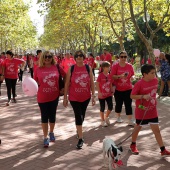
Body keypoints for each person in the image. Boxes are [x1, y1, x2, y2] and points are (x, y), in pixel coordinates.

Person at [129, 64, 170, 156]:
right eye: (152, 73)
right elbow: (132, 96)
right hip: (141, 111)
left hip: (152, 111)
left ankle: (163, 150)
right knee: (137, 129)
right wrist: (143, 96)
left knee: (157, 130)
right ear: (145, 74)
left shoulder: (155, 80)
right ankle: (133, 144)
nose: (154, 74)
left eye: (154, 72)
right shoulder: (139, 84)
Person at [63, 50, 95, 149]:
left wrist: (93, 95)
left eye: (81, 55)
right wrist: (65, 98)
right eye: (77, 56)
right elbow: (67, 83)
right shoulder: (71, 68)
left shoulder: (87, 67)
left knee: (82, 116)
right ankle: (81, 138)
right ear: (75, 58)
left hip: (86, 97)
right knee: (78, 116)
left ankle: (79, 129)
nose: (79, 57)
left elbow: (92, 83)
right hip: (74, 97)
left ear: (83, 57)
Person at [34, 51, 66, 147]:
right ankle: (45, 137)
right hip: (42, 97)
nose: (47, 58)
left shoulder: (56, 67)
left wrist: (63, 88)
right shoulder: (38, 69)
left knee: (52, 115)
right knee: (44, 116)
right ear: (42, 58)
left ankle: (51, 132)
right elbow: (34, 83)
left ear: (52, 58)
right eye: (45, 57)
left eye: (49, 57)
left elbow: (65, 75)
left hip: (54, 96)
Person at [111, 51, 135, 126]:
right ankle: (118, 117)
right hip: (118, 89)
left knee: (128, 104)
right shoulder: (115, 66)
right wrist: (120, 76)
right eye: (122, 57)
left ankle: (130, 120)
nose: (123, 58)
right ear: (119, 57)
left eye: (125, 57)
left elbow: (133, 75)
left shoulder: (130, 66)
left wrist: (132, 78)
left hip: (128, 88)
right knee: (119, 104)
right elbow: (112, 76)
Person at [96, 61, 114, 127]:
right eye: (108, 67)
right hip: (102, 95)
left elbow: (110, 83)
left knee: (110, 107)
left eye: (109, 67)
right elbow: (97, 84)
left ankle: (106, 117)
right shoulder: (100, 75)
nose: (109, 68)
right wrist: (99, 92)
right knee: (102, 107)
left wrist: (112, 90)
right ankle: (102, 120)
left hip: (108, 94)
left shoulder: (109, 75)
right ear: (104, 68)